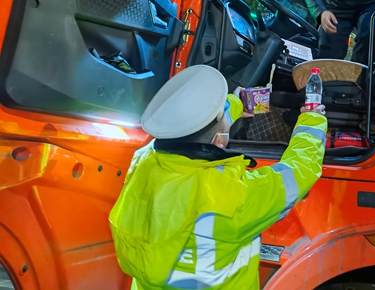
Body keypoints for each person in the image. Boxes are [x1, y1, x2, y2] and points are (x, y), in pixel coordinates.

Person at [109, 65, 327, 289]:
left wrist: (236, 103)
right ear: (219, 142)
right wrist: (312, 119)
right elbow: (301, 168)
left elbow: (196, 122)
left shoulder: (144, 159)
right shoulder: (234, 194)